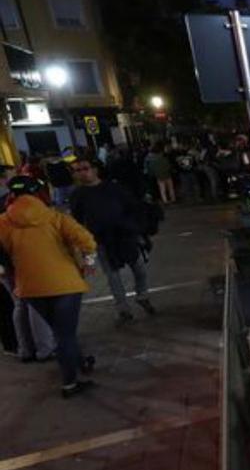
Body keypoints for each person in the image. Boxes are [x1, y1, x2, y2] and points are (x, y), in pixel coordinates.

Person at [0, 176, 98, 397]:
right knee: (65, 334)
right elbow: (87, 241)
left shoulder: (3, 222)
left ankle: (81, 361)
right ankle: (70, 383)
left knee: (61, 331)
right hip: (65, 284)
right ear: (37, 194)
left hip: (30, 287)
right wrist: (89, 264)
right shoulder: (55, 217)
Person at [68, 157, 156, 324]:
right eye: (77, 170)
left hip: (125, 236)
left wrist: (135, 229)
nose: (82, 173)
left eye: (85, 168)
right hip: (102, 240)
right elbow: (77, 221)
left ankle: (142, 295)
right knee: (113, 276)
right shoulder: (78, 195)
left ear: (94, 169)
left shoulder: (113, 188)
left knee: (139, 268)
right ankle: (123, 309)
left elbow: (132, 207)